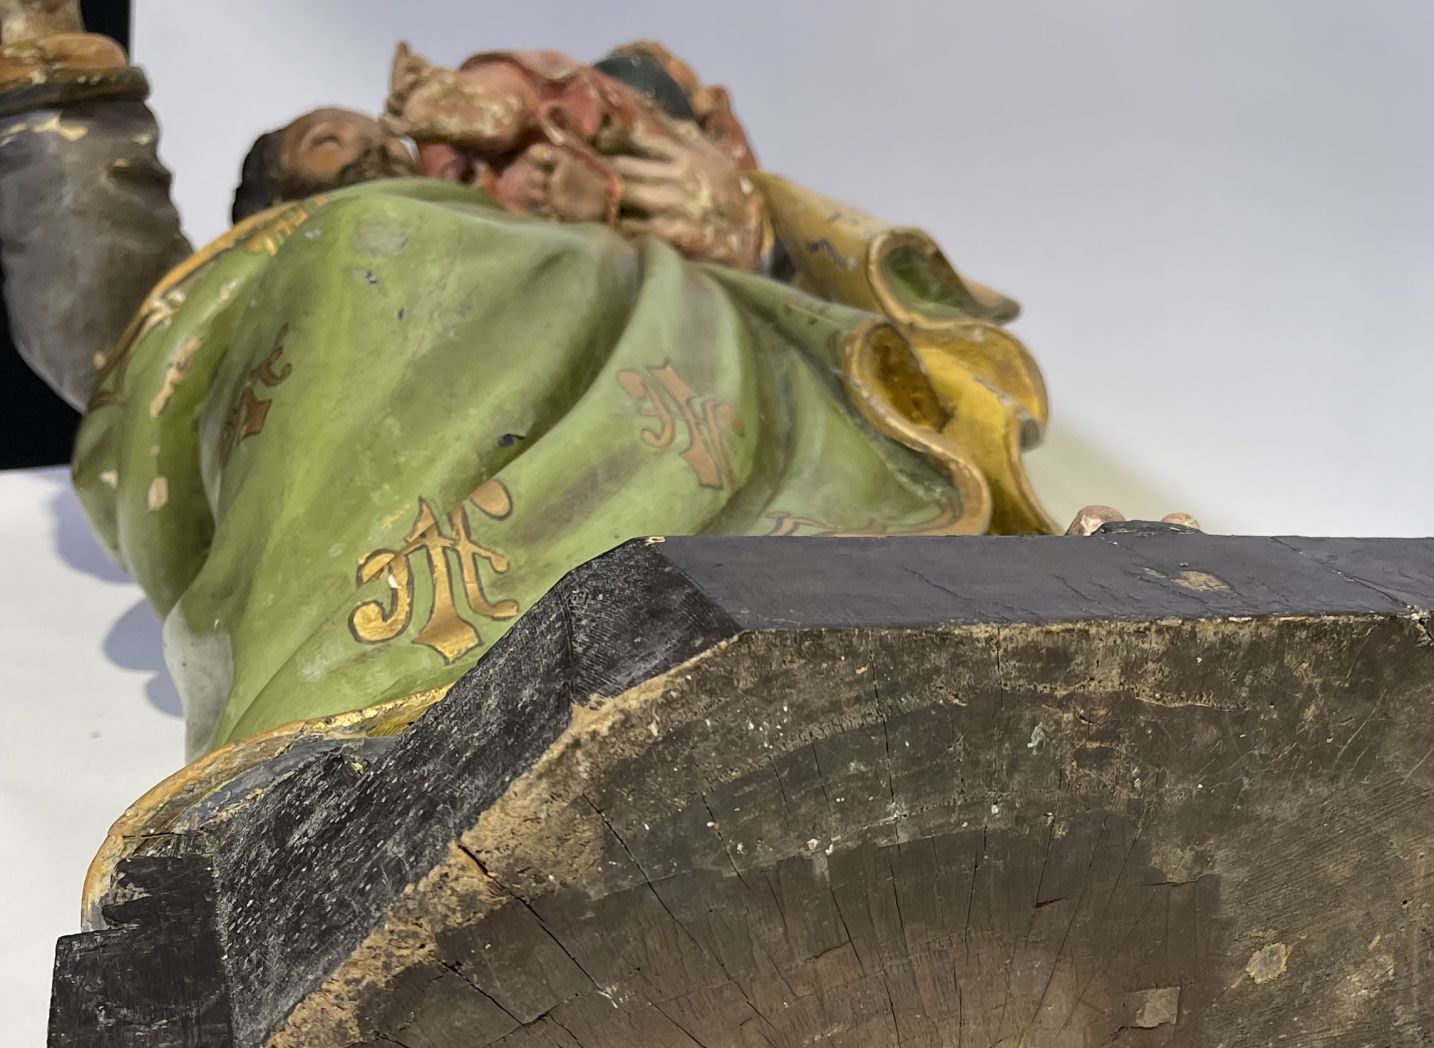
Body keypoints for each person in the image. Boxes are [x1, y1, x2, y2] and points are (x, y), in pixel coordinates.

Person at [1, 5, 1058, 762]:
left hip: (651, 341)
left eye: (379, 134)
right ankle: (338, 722)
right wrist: (57, 95)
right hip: (366, 361)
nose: (370, 141)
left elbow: (684, 194)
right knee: (375, 240)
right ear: (272, 197)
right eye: (328, 139)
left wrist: (652, 203)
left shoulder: (516, 213)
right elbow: (110, 313)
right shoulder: (281, 274)